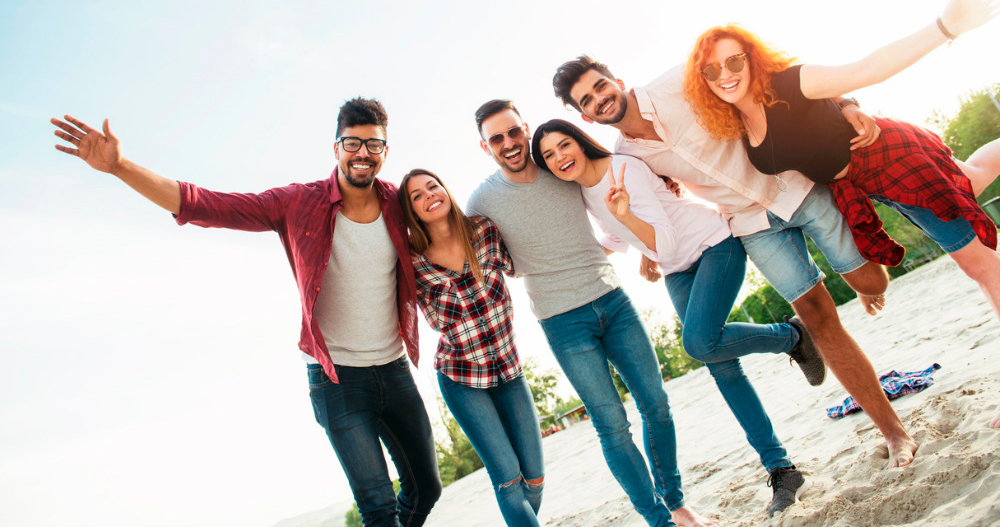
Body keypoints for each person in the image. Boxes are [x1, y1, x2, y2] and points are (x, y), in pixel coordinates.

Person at [49, 98, 442, 527]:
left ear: (386, 151)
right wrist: (121, 167)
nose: (363, 153)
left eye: (374, 145)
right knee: (378, 509)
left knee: (426, 488)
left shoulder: (399, 202)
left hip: (393, 368)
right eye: (353, 142)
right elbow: (206, 204)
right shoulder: (298, 203)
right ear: (336, 148)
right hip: (337, 380)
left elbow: (451, 226)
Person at [549, 54, 927, 467]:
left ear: (615, 79)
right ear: (583, 115)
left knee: (873, 283)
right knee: (817, 316)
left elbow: (776, 74)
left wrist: (846, 102)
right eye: (586, 99)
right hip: (748, 223)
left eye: (600, 86)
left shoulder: (679, 79)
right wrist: (643, 250)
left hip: (793, 183)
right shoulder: (627, 156)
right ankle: (894, 433)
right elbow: (650, 204)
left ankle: (859, 284)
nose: (599, 99)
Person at [532, 119, 818, 517]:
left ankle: (790, 335)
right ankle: (782, 470)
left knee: (700, 343)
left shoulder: (623, 169)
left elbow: (661, 236)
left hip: (713, 245)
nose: (559, 157)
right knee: (721, 363)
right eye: (549, 155)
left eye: (564, 145)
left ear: (580, 143)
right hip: (677, 269)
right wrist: (594, 256)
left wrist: (634, 225)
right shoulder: (583, 192)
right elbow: (618, 235)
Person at [467, 99, 713, 527]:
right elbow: (468, 254)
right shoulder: (481, 201)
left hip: (613, 300)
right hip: (562, 322)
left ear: (525, 128)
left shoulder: (560, 166)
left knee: (656, 404)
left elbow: (611, 198)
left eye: (512, 132)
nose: (508, 143)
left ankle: (676, 503)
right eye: (496, 139)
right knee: (612, 424)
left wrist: (642, 246)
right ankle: (660, 521)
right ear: (484, 147)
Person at [681, 13, 1000, 316]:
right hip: (861, 184)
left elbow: (868, 68)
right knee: (973, 178)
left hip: (890, 158)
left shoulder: (791, 82)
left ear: (751, 57)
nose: (724, 75)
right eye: (711, 70)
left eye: (733, 61)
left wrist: (944, 27)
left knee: (979, 264)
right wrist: (844, 103)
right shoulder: (734, 121)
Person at [397, 168, 545, 527]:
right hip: (461, 378)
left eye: (432, 186)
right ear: (410, 211)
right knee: (508, 480)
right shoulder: (412, 262)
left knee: (535, 480)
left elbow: (523, 260)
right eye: (416, 195)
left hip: (509, 370)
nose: (428, 195)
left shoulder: (484, 230)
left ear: (445, 190)